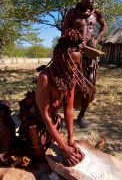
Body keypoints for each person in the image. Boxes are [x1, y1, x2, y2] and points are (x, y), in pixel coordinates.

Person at [18, 29, 91, 166]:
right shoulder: (45, 77)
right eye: (73, 64)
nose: (76, 69)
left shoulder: (71, 79)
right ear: (62, 59)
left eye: (78, 64)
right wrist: (63, 148)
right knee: (40, 157)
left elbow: (69, 110)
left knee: (60, 150)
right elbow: (45, 115)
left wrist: (70, 139)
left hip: (52, 120)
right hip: (37, 119)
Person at [61, 0, 107, 128]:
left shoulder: (96, 13)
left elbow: (104, 26)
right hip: (73, 54)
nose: (91, 1)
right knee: (68, 85)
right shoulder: (72, 13)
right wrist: (74, 39)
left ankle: (81, 116)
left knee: (90, 86)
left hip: (89, 56)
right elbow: (64, 31)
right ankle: (65, 114)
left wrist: (97, 39)